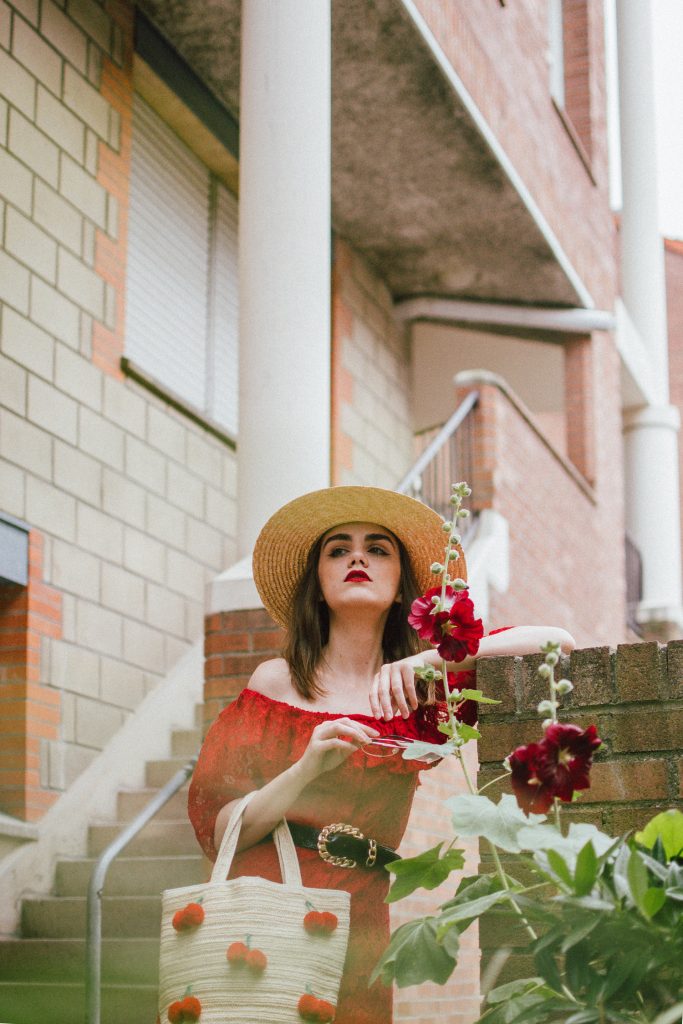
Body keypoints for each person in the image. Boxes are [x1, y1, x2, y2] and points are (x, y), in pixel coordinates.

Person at [188, 486, 574, 1024]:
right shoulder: (273, 683)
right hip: (264, 908)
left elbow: (558, 642)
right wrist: (303, 771)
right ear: (319, 584)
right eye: (338, 549)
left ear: (400, 591)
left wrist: (430, 659)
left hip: (362, 914)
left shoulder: (424, 692)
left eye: (378, 548)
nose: (357, 558)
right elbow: (220, 824)